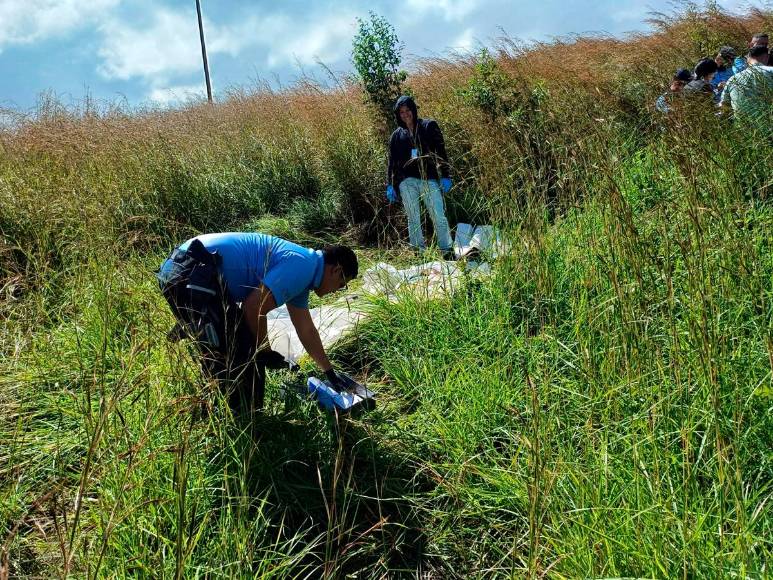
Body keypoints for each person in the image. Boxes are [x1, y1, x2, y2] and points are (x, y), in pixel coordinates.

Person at [156, 232, 358, 410]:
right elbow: (254, 307)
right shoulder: (303, 267)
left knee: (229, 344)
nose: (336, 290)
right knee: (243, 355)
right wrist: (264, 351)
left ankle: (213, 403)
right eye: (341, 284)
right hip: (191, 273)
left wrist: (329, 372)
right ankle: (243, 420)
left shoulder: (306, 271)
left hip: (183, 268)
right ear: (335, 270)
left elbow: (306, 330)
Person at [386, 95, 454, 258]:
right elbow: (392, 162)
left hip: (428, 179)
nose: (405, 114)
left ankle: (447, 251)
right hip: (407, 182)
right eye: (401, 112)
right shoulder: (396, 135)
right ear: (398, 114)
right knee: (413, 218)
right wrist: (391, 184)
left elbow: (441, 152)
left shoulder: (429, 126)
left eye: (407, 110)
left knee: (438, 214)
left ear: (413, 109)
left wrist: (445, 175)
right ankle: (419, 253)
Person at [720, 45, 773, 138]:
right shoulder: (771, 72)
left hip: (744, 133)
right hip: (769, 130)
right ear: (767, 57)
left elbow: (723, 106)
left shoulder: (732, 79)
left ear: (748, 58)